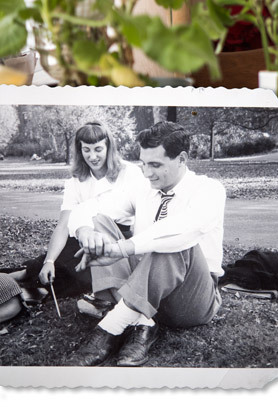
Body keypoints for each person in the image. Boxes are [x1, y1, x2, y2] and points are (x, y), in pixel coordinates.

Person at [67, 121, 226, 367]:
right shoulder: (143, 188)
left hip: (189, 299)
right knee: (100, 222)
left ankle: (111, 327)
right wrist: (85, 230)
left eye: (155, 165)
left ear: (182, 159)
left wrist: (123, 248)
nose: (147, 172)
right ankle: (143, 322)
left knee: (174, 241)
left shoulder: (209, 189)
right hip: (142, 285)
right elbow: (90, 209)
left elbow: (184, 230)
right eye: (142, 163)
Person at [19, 121, 147, 298]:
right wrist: (49, 261)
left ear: (108, 148)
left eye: (98, 149)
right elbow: (63, 226)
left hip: (118, 239)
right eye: (86, 150)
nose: (92, 156)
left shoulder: (129, 172)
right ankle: (17, 277)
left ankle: (23, 279)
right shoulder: (75, 181)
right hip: (83, 239)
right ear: (79, 150)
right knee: (54, 264)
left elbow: (144, 217)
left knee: (79, 275)